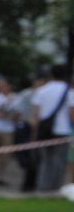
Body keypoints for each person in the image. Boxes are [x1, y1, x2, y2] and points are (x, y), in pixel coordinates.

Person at [35, 64, 72, 194]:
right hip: (62, 130)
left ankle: (42, 187)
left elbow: (37, 113)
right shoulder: (69, 91)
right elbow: (72, 114)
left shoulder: (42, 90)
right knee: (59, 161)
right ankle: (56, 189)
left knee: (45, 161)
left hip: (45, 130)